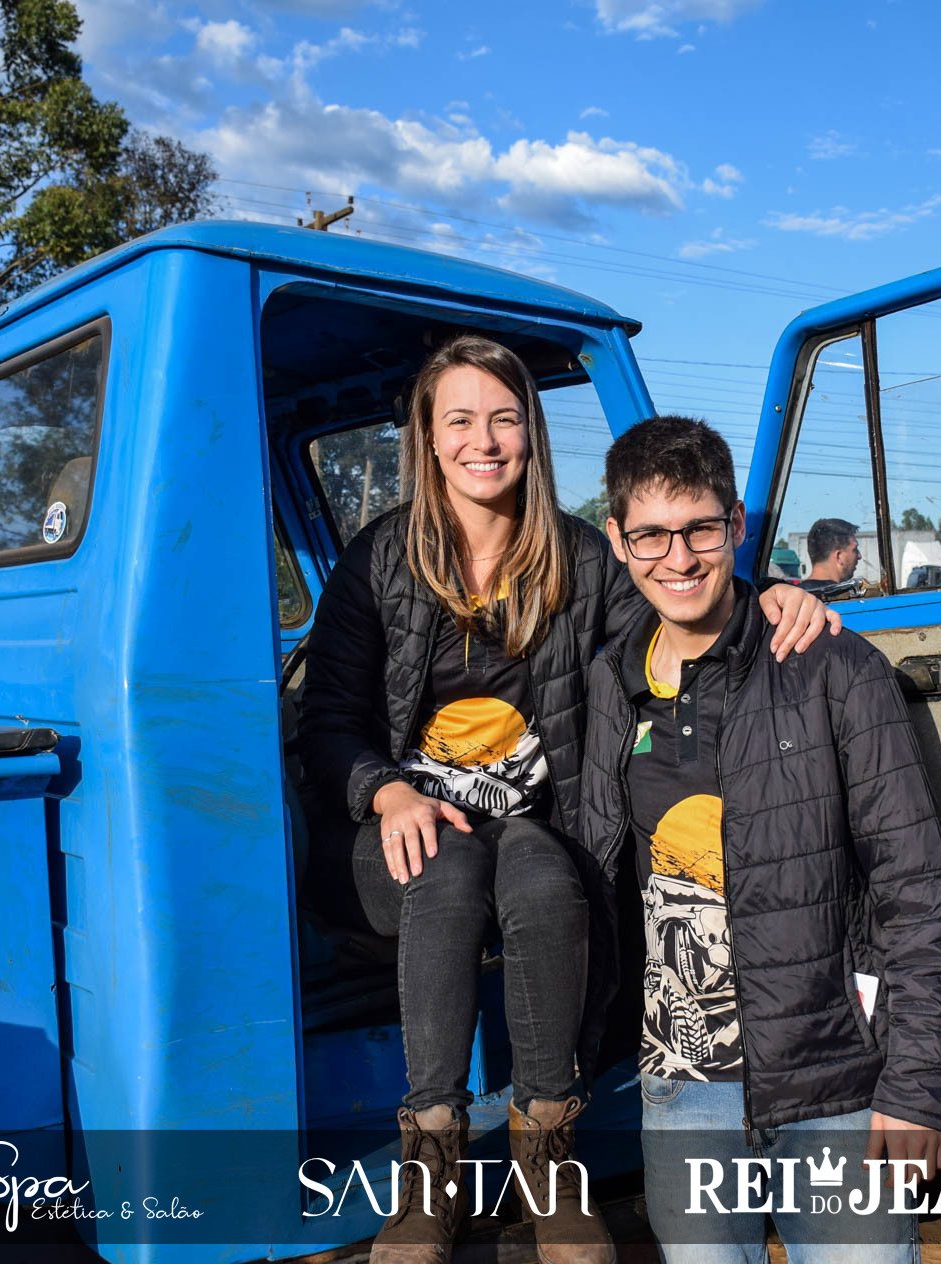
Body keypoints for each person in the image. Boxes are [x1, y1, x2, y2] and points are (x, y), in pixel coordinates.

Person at [297, 338, 844, 1264]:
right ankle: (431, 1173)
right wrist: (385, 790)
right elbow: (330, 719)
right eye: (459, 420)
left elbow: (675, 613)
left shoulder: (579, 556)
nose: (484, 440)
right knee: (448, 864)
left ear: (531, 434)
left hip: (526, 829)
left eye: (504, 419)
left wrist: (771, 603)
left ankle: (549, 1160)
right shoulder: (380, 559)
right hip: (393, 836)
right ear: (428, 438)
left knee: (553, 875)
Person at [579, 415, 941, 1264]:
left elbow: (916, 889)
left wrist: (917, 1088)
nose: (678, 558)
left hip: (833, 1081)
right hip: (681, 1090)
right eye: (650, 535)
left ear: (736, 525)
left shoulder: (833, 668)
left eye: (700, 529)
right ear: (617, 539)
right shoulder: (610, 683)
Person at [803, 517, 861, 584]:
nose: (859, 556)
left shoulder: (797, 590)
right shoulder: (844, 590)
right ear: (839, 556)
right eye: (854, 550)